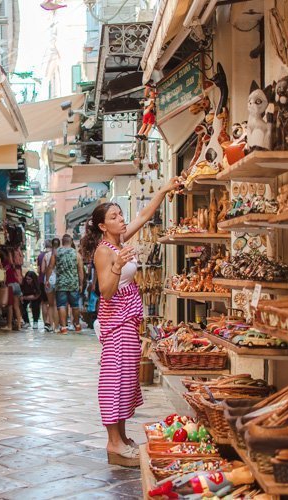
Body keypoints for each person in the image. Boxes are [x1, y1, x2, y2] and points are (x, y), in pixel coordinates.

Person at [80, 176, 180, 466]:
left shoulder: (120, 241)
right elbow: (106, 292)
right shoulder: (103, 251)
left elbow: (145, 215)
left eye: (120, 214)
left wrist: (162, 190)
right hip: (116, 322)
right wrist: (117, 264)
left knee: (125, 380)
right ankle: (113, 443)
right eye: (114, 216)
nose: (121, 219)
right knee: (114, 380)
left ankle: (121, 439)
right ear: (102, 226)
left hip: (128, 322)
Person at [49, 234, 84, 333]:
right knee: (75, 305)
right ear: (71, 241)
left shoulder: (56, 253)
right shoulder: (76, 254)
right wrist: (81, 284)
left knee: (61, 305)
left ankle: (63, 327)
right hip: (73, 283)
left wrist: (47, 279)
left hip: (60, 284)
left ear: (62, 241)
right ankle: (77, 325)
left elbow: (50, 266)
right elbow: (80, 270)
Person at [1, 251, 25, 331]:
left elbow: (4, 277)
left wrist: (4, 285)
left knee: (10, 307)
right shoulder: (12, 264)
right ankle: (19, 326)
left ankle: (9, 325)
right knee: (16, 307)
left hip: (10, 285)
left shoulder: (3, 264)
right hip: (16, 285)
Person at [41, 239, 60, 332]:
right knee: (56, 304)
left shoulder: (46, 255)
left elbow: (43, 270)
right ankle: (56, 327)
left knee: (50, 304)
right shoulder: (60, 254)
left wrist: (47, 279)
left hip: (49, 280)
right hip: (58, 280)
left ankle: (51, 326)